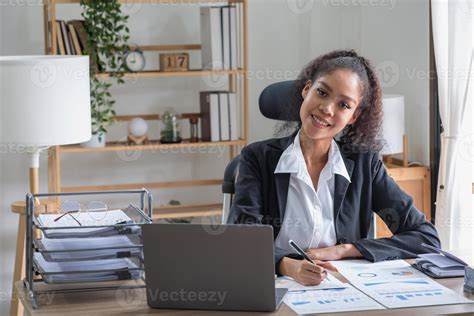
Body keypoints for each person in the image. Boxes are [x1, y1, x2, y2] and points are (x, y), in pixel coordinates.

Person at [227, 49, 440, 286]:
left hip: (342, 288)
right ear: (306, 90)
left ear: (353, 117)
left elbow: (425, 237)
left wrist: (345, 250)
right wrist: (287, 264)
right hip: (275, 284)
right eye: (322, 92)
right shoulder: (257, 158)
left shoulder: (364, 164)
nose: (327, 109)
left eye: (343, 105)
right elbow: (242, 240)